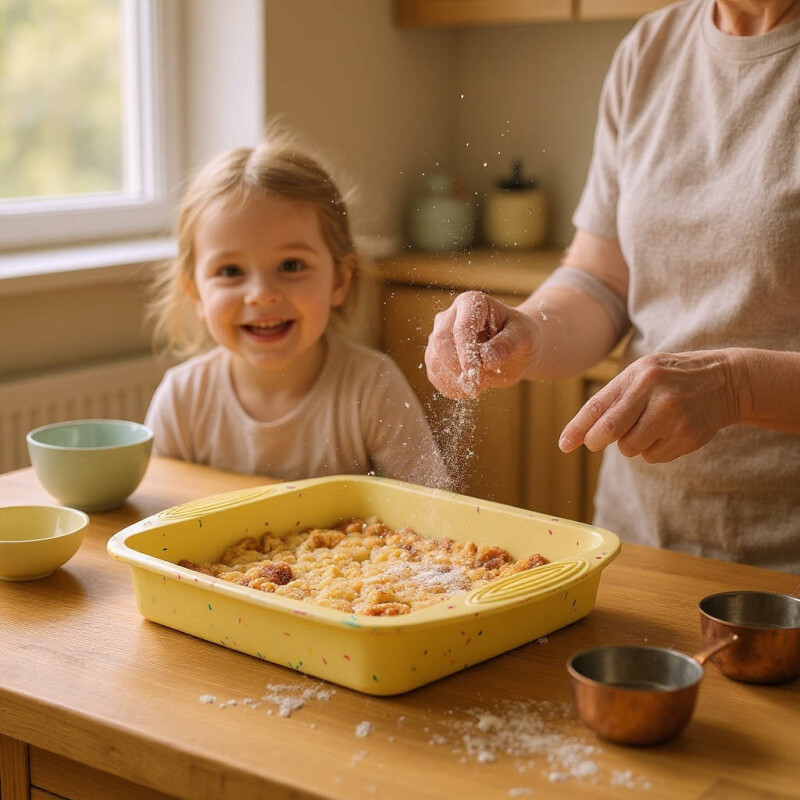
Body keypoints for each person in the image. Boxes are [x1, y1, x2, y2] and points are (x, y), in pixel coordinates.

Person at [425, 0, 800, 572]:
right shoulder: (650, 50)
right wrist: (527, 332)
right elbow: (602, 278)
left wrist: (736, 387)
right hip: (643, 529)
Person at [146, 130, 449, 489]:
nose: (261, 295)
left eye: (290, 266)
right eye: (230, 272)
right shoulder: (183, 397)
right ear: (195, 293)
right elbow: (157, 519)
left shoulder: (371, 386)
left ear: (339, 280)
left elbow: (436, 510)